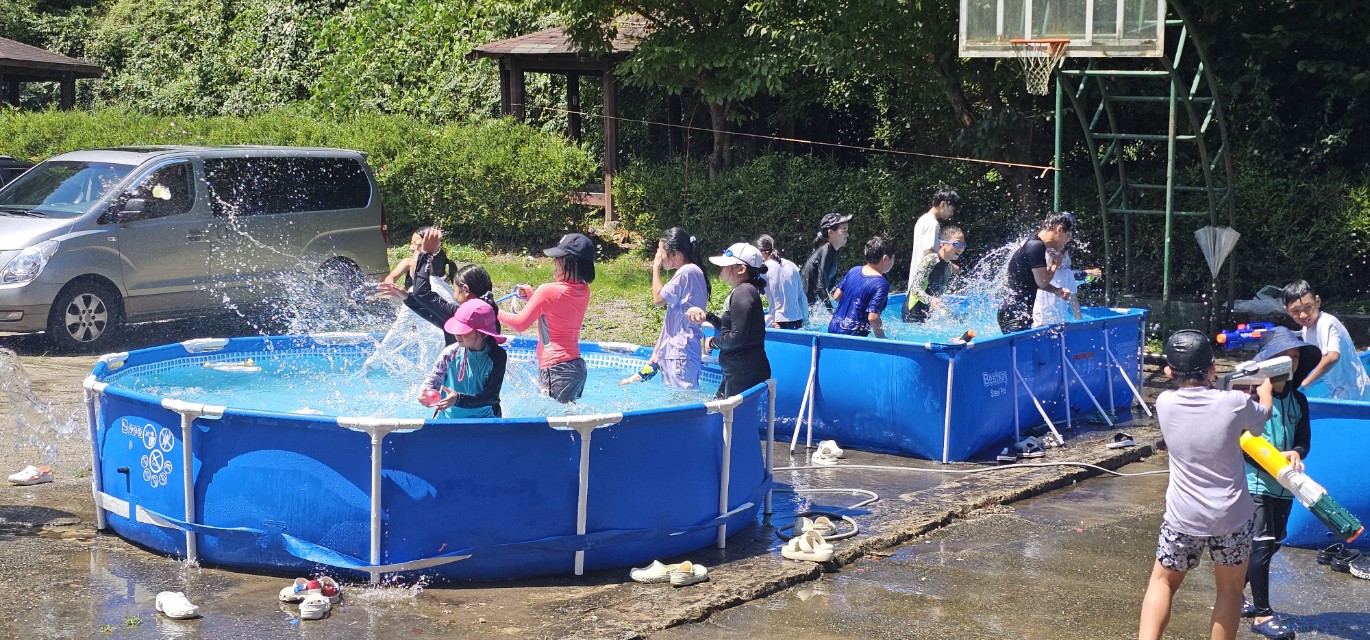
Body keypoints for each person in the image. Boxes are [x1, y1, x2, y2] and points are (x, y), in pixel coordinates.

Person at [1139, 330, 1272, 640]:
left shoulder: (1165, 402)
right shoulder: (1235, 402)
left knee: (1163, 583)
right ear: (1213, 369)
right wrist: (1265, 386)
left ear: (1169, 371)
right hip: (1232, 517)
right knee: (1229, 590)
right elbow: (1260, 418)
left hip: (1183, 517)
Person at [1240, 327, 1318, 640]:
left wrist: (1296, 454)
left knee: (1274, 542)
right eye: (1284, 356)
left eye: (1296, 356)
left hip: (1285, 484)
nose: (1291, 361)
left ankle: (1235, 593)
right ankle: (1262, 615)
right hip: (1255, 482)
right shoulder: (1251, 396)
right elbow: (1242, 442)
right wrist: (1274, 457)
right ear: (1269, 361)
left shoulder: (1299, 400)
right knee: (1261, 544)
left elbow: (1303, 441)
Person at [499, 233, 595, 403]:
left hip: (556, 368)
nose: (554, 262)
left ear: (569, 262)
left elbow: (519, 324)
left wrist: (490, 309)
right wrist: (533, 297)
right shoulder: (584, 290)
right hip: (576, 369)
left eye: (557, 258)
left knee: (551, 424)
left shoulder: (548, 290)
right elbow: (556, 312)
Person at [623, 228, 709, 388]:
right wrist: (657, 352)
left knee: (683, 403)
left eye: (661, 252)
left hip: (682, 353)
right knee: (674, 402)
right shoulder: (686, 273)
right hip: (676, 352)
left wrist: (655, 267)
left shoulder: (687, 271)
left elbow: (658, 299)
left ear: (674, 254)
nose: (660, 257)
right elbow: (672, 319)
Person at [686, 243, 771, 399]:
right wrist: (708, 317)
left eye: (726, 265)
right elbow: (732, 328)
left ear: (741, 269)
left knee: (731, 420)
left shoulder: (743, 292)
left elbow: (736, 337)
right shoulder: (744, 290)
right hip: (739, 370)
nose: (721, 268)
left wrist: (713, 342)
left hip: (742, 371)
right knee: (720, 415)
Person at [1282, 279, 1370, 401]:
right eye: (1295, 311)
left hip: (1353, 390)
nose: (1303, 315)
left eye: (1308, 307)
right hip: (1338, 389)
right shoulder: (1307, 329)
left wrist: (1304, 384)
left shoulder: (1327, 323)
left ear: (1317, 301)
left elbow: (1332, 356)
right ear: (1287, 310)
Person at [420, 299, 508, 419]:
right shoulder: (450, 353)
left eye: (463, 331)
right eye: (457, 329)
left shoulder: (497, 356)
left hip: (485, 419)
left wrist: (458, 399)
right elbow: (435, 378)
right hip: (449, 418)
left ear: (483, 334)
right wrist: (426, 390)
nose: (457, 334)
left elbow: (491, 396)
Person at [997, 212, 1075, 334]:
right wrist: (1056, 264)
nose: (1065, 243)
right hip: (1014, 314)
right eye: (1068, 238)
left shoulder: (1035, 243)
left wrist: (1055, 290)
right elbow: (1043, 282)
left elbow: (1033, 281)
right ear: (1059, 230)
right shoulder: (1036, 246)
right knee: (1020, 352)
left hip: (1016, 310)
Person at [828, 236, 895, 338]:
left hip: (833, 326)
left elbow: (836, 296)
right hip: (853, 334)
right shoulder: (881, 283)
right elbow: (873, 318)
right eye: (893, 258)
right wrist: (882, 339)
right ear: (885, 258)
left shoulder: (854, 270)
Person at [904, 226, 966, 323]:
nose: (961, 248)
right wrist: (931, 300)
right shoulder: (929, 260)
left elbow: (938, 294)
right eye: (957, 243)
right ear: (943, 244)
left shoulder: (949, 267)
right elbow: (916, 289)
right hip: (912, 314)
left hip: (927, 315)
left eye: (963, 245)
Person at [907, 188, 961, 294]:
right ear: (943, 204)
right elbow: (929, 254)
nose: (952, 213)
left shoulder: (923, 219)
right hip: (924, 285)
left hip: (916, 281)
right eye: (951, 209)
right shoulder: (932, 223)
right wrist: (950, 266)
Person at [1031, 246, 1101, 327]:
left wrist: (1080, 323)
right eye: (1051, 254)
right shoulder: (1042, 271)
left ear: (1064, 257)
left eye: (1057, 255)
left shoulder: (1068, 274)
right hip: (1040, 319)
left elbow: (1074, 301)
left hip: (1059, 320)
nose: (1054, 258)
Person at [754, 234, 808, 329]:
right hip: (798, 320)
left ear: (761, 252)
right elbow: (802, 298)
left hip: (778, 322)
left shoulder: (763, 270)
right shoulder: (792, 266)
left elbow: (753, 297)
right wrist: (806, 321)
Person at [800, 212, 852, 310]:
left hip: (810, 301)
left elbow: (831, 286)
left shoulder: (834, 252)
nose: (847, 234)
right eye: (844, 230)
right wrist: (831, 311)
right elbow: (820, 288)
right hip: (805, 303)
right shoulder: (826, 252)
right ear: (831, 233)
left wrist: (846, 300)